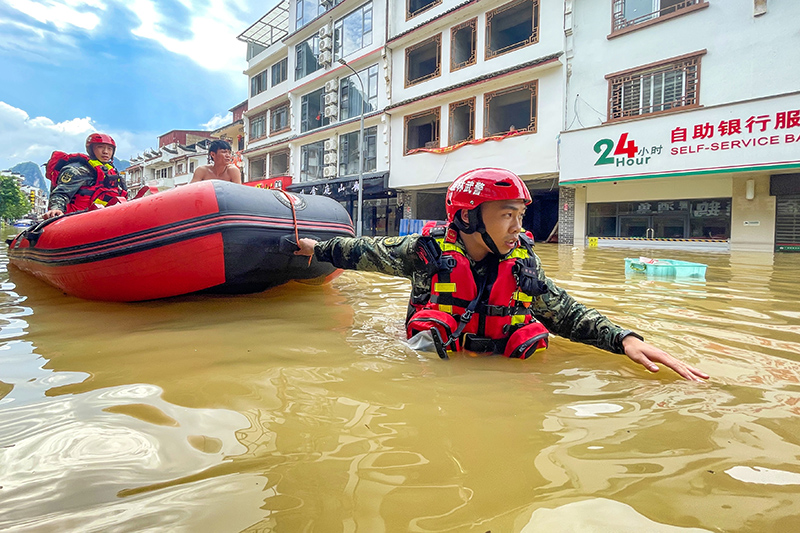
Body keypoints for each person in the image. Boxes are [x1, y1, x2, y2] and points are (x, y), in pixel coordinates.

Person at [294, 168, 709, 381]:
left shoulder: (524, 261)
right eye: (506, 214)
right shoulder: (427, 252)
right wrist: (313, 247)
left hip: (506, 369)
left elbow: (563, 311)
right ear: (469, 218)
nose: (517, 226)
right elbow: (365, 251)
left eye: (520, 215)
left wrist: (625, 340)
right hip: (434, 370)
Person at [44, 133, 127, 219]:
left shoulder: (113, 173)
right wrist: (56, 208)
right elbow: (61, 192)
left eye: (109, 148)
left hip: (102, 219)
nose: (105, 151)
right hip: (76, 220)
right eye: (100, 147)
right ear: (91, 149)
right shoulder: (77, 170)